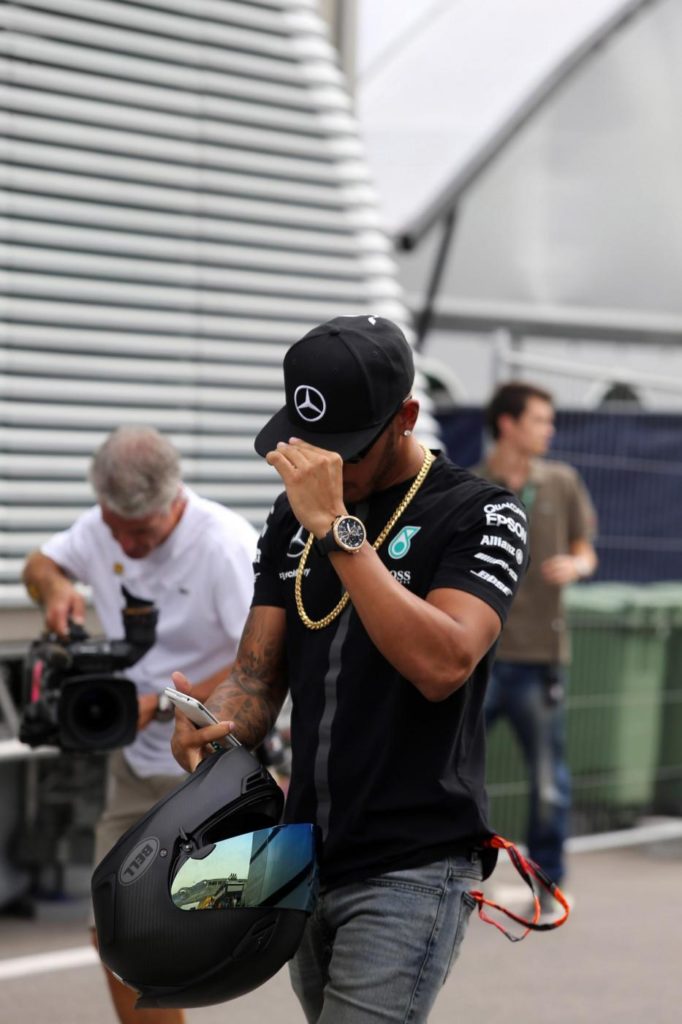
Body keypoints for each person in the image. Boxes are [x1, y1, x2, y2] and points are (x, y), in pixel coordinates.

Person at [170, 315, 530, 1024]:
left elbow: (444, 663)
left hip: (413, 859)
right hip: (302, 852)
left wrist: (338, 530)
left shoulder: (480, 512)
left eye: (347, 449)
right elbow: (257, 675)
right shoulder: (291, 516)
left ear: (406, 418)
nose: (325, 467)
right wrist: (217, 725)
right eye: (309, 446)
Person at [22, 426, 258, 1024]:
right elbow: (40, 562)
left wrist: (167, 701)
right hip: (134, 763)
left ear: (174, 500)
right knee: (114, 931)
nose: (125, 543)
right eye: (115, 528)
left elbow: (262, 656)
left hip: (209, 766)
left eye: (142, 533)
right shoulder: (101, 527)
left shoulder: (225, 544)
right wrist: (55, 588)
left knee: (214, 937)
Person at [474, 381, 598, 906]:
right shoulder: (471, 483)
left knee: (549, 783)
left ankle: (548, 889)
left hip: (540, 662)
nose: (550, 429)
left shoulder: (562, 481)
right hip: (477, 661)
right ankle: (452, 879)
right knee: (450, 773)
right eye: (540, 419)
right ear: (508, 424)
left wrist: (577, 565)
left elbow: (586, 549)